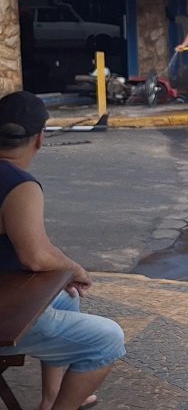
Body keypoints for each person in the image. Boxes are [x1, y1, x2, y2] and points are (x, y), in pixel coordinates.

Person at [0, 91, 125, 410]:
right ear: (39, 139)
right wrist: (75, 269)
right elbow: (36, 255)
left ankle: (52, 398)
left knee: (65, 295)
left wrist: (64, 272)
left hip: (7, 296)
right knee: (107, 339)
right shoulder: (18, 184)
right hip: (4, 319)